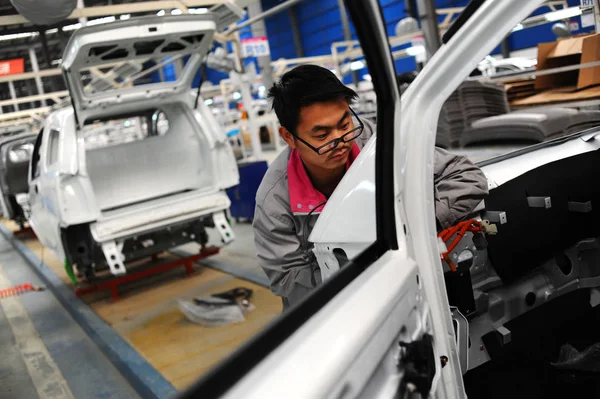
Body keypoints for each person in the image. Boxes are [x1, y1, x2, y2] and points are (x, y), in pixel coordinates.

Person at [253, 65, 488, 309]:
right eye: (322, 135)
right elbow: (287, 278)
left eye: (344, 125)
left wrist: (414, 227)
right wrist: (355, 270)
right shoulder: (275, 201)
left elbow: (467, 176)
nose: (340, 142)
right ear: (288, 137)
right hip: (338, 309)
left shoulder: (376, 143)